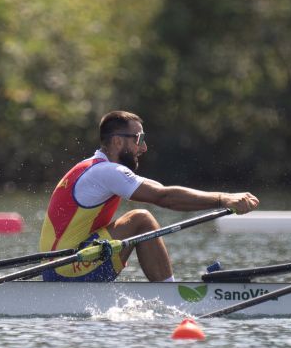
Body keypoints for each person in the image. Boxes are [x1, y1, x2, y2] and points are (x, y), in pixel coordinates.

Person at [39, 111, 259, 282]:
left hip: (56, 268)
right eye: (138, 138)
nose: (143, 147)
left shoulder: (91, 167)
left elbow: (159, 188)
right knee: (141, 219)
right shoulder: (107, 172)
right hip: (68, 268)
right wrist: (223, 199)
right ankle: (171, 294)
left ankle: (168, 289)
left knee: (138, 218)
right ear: (117, 142)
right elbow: (164, 198)